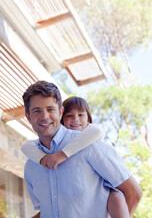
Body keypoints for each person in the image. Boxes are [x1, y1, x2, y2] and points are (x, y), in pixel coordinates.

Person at [22, 80, 143, 218]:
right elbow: (47, 211)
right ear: (28, 117)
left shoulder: (90, 146)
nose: (45, 116)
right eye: (37, 111)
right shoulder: (31, 165)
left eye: (50, 109)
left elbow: (133, 193)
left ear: (60, 112)